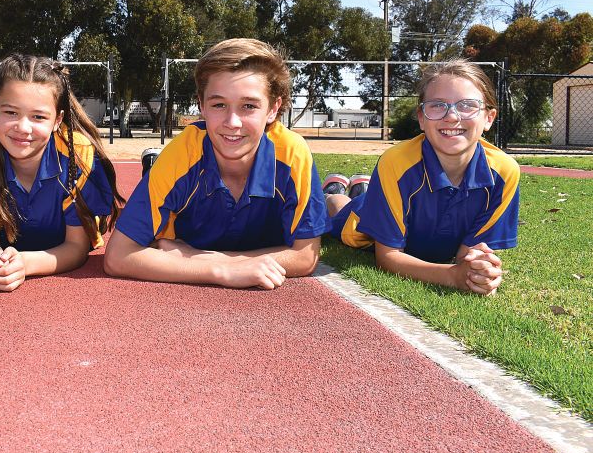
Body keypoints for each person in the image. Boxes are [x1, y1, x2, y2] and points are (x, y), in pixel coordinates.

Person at [103, 38, 330, 289]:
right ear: (201, 104)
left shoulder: (291, 155)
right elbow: (117, 256)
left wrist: (200, 258)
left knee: (338, 214)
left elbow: (305, 256)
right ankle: (152, 167)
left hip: (204, 245)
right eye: (219, 104)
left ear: (273, 109)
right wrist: (220, 270)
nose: (232, 122)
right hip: (176, 179)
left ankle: (336, 193)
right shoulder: (181, 155)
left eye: (249, 106)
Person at [325, 59, 518, 295]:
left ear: (489, 118)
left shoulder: (505, 172)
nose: (451, 116)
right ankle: (334, 192)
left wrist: (479, 271)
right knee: (339, 212)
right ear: (421, 118)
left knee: (363, 196)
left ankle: (361, 186)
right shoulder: (396, 162)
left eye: (467, 105)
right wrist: (453, 277)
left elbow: (467, 255)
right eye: (437, 105)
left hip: (395, 205)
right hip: (363, 219)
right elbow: (387, 258)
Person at [0, 54, 124, 292]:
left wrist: (25, 263)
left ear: (58, 120)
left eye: (38, 117)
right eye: (11, 112)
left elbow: (77, 247)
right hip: (8, 244)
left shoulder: (79, 155)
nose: (23, 127)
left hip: (62, 245)